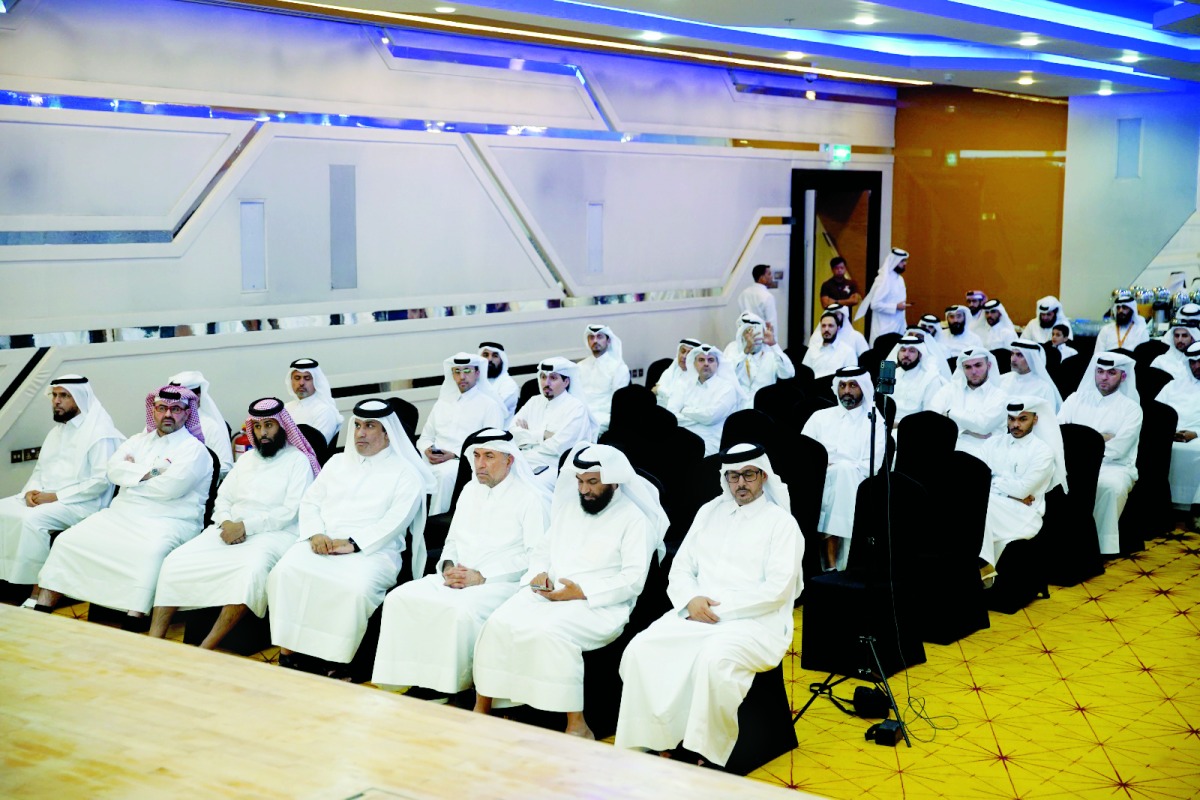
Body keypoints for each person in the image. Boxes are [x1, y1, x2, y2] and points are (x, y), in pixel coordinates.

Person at [614, 443, 802, 768]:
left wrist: (717, 610)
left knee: (713, 662)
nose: (740, 483)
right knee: (640, 649)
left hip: (755, 623)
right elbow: (681, 568)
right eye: (733, 476)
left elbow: (777, 591)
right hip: (696, 613)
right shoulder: (709, 512)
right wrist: (690, 600)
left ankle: (703, 750)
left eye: (748, 475)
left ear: (763, 476)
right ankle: (658, 738)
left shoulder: (781, 523)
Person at [472, 443, 668, 739]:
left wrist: (580, 592)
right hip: (550, 593)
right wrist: (539, 574)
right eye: (580, 481)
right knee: (498, 622)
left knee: (550, 633)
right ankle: (483, 707)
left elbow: (632, 581)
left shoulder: (634, 520)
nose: (585, 490)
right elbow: (542, 552)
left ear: (614, 482)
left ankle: (577, 724)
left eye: (593, 482)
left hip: (598, 603)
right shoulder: (568, 509)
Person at [371, 430, 552, 696]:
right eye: (476, 456)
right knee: (400, 598)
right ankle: (412, 678)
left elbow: (535, 558)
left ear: (510, 460)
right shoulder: (469, 490)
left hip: (501, 584)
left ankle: (448, 688)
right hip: (457, 577)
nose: (480, 464)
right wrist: (447, 568)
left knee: (459, 611)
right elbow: (452, 540)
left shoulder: (531, 498)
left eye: (489, 456)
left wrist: (482, 576)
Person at [266, 399, 434, 672]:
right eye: (357, 425)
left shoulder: (406, 473)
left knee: (353, 589)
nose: (360, 433)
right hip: (322, 542)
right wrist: (316, 534)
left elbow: (395, 521)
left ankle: (336, 659)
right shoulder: (336, 463)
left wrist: (354, 544)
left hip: (373, 551)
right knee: (284, 572)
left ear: (387, 432)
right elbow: (310, 502)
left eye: (370, 426)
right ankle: (290, 652)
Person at [148, 398, 320, 648]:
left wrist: (246, 527)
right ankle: (153, 642)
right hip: (228, 529)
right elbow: (223, 497)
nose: (263, 433)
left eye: (269, 426)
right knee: (175, 561)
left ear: (282, 427)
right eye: (258, 427)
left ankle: (205, 648)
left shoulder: (298, 461)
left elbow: (290, 512)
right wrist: (227, 522)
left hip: (274, 534)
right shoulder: (247, 459)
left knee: (250, 571)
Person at [34, 386, 214, 623]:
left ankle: (133, 620)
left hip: (168, 521)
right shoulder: (137, 440)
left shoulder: (195, 450)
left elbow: (170, 489)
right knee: (68, 541)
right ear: (153, 410)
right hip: (120, 515)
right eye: (162, 408)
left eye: (176, 409)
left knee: (148, 554)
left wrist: (132, 473)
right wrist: (151, 473)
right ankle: (42, 609)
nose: (168, 414)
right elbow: (113, 471)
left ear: (187, 413)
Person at [0, 376, 124, 596]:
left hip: (82, 504)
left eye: (64, 396)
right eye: (54, 395)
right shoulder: (56, 432)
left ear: (80, 398)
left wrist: (55, 496)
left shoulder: (99, 433)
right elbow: (40, 470)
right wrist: (30, 492)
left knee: (32, 520)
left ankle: (37, 590)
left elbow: (100, 482)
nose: (56, 401)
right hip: (48, 498)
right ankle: (6, 583)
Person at [801, 366, 885, 571]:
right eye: (842, 385)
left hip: (856, 483)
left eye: (853, 385)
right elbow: (803, 455)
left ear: (863, 388)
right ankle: (841, 563)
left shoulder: (874, 421)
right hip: (820, 481)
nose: (846, 390)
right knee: (841, 474)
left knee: (844, 473)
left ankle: (829, 559)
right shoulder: (819, 417)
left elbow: (872, 466)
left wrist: (838, 465)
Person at [1058, 352, 1143, 555]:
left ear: (1123, 376)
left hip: (1114, 466)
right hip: (1071, 462)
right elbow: (1059, 432)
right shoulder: (1074, 399)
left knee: (1110, 486)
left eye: (1111, 373)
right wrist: (1100, 438)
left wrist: (1083, 441)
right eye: (1100, 371)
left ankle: (1099, 548)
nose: (1104, 377)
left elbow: (1119, 448)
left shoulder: (1132, 409)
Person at [978, 399, 1065, 586]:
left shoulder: (1043, 452)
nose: (1015, 424)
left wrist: (993, 480)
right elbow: (977, 480)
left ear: (1035, 419)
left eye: (1022, 419)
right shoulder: (991, 444)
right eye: (1011, 419)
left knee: (978, 505)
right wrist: (1009, 491)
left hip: (1024, 514)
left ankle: (982, 563)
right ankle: (982, 565)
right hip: (996, 504)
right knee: (975, 504)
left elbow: (1022, 490)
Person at [417, 353, 507, 515]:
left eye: (467, 371)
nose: (462, 376)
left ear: (477, 373)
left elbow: (491, 446)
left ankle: (435, 521)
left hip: (464, 462)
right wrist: (428, 449)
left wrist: (454, 455)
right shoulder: (442, 404)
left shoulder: (489, 405)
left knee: (444, 475)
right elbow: (425, 437)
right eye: (457, 372)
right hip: (433, 460)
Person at [510, 358, 597, 479]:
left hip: (556, 468)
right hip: (524, 460)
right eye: (543, 377)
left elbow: (559, 447)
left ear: (566, 382)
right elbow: (512, 434)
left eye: (553, 378)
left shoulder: (576, 407)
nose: (546, 383)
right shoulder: (534, 401)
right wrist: (543, 435)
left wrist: (527, 440)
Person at [928, 350, 1008, 461]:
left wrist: (949, 413)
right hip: (947, 450)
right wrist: (966, 431)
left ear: (989, 366)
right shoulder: (948, 390)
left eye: (978, 365)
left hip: (984, 455)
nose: (973, 371)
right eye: (968, 367)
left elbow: (983, 426)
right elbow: (931, 420)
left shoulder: (1000, 396)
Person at [666, 344, 741, 456]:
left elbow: (711, 416)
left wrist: (684, 410)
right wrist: (701, 418)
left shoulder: (727, 388)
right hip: (681, 440)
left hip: (710, 445)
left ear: (717, 364)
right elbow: (671, 416)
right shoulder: (684, 384)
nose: (706, 364)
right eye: (701, 360)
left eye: (711, 360)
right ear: (694, 364)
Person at [167, 370, 234, 479]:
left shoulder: (211, 427)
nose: (177, 403)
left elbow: (226, 468)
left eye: (183, 398)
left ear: (198, 397)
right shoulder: (164, 422)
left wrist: (191, 472)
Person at [724, 312, 795, 410]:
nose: (753, 335)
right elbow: (727, 377)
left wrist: (774, 344)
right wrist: (745, 352)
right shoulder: (732, 349)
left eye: (756, 330)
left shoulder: (771, 351)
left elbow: (788, 373)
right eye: (748, 331)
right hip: (737, 408)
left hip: (764, 408)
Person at [1158, 343, 1200, 506]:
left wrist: (1195, 433)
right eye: (1192, 362)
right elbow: (1155, 412)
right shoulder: (1173, 385)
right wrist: (1167, 432)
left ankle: (1196, 506)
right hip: (1169, 435)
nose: (1196, 366)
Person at [576, 324, 631, 434]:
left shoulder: (619, 367)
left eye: (599, 337)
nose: (595, 341)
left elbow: (618, 401)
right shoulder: (579, 366)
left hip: (604, 416)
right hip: (580, 413)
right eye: (591, 337)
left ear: (608, 340)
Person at [855, 247, 911, 345]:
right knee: (883, 352)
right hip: (883, 327)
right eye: (902, 261)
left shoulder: (900, 279)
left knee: (896, 352)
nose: (905, 264)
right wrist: (895, 307)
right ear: (894, 261)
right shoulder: (883, 280)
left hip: (898, 325)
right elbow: (874, 304)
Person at [888, 335, 948, 423]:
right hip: (885, 424)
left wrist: (898, 425)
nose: (906, 354)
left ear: (920, 355)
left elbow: (930, 414)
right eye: (903, 350)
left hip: (914, 427)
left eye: (912, 351)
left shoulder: (930, 379)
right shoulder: (891, 375)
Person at [284, 358, 340, 446]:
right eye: (297, 378)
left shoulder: (324, 410)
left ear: (316, 381)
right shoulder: (286, 408)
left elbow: (315, 447)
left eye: (307, 378)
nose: (301, 383)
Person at [1000, 341, 1063, 412]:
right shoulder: (1001, 379)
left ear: (1031, 359)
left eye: (1019, 355)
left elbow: (1047, 416)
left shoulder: (1044, 388)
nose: (1013, 359)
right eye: (1012, 354)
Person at [804, 311, 858, 378]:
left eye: (830, 326)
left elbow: (851, 378)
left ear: (838, 328)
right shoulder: (812, 350)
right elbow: (804, 373)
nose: (826, 329)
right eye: (823, 326)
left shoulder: (848, 352)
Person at [652, 337, 700, 409]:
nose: (684, 356)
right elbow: (654, 393)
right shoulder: (672, 370)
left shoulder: (698, 377)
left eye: (689, 353)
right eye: (683, 351)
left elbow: (682, 404)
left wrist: (660, 390)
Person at [479, 342, 519, 422]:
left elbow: (491, 412)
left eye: (495, 356)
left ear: (502, 360)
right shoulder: (474, 381)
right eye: (486, 355)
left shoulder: (509, 385)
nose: (490, 359)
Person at [1151, 318, 1200, 383]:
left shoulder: (1197, 363)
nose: (1180, 340)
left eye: (1184, 336)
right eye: (1177, 336)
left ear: (1192, 338)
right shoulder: (1160, 361)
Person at [739, 263, 778, 330]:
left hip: (747, 334)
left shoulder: (744, 294)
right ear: (761, 278)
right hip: (763, 334)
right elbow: (771, 323)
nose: (771, 277)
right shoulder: (767, 297)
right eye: (769, 274)